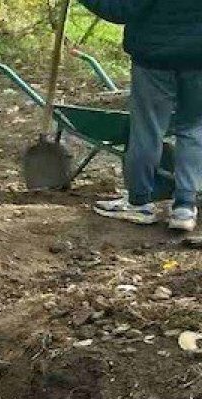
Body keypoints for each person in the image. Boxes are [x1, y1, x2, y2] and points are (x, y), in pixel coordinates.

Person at [80, 0, 202, 232]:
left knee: (148, 129)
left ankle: (139, 202)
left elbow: (121, 10)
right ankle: (185, 207)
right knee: (193, 129)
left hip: (155, 59)